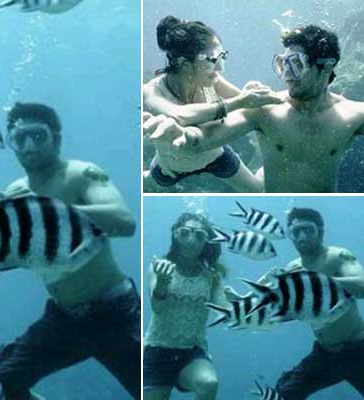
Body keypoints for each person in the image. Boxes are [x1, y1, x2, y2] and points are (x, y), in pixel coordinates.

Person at [0, 102, 141, 399]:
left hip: (115, 314)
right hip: (63, 318)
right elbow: (1, 261)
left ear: (56, 139)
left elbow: (124, 222)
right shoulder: (14, 193)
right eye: (19, 138)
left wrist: (45, 211)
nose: (29, 146)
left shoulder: (82, 174)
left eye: (38, 135)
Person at [145, 25, 364, 193]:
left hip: (319, 207)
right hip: (173, 164)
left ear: (326, 67)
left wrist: (242, 97)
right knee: (153, 182)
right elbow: (201, 139)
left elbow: (238, 98)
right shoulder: (266, 110)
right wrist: (181, 136)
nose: (287, 75)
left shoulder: (355, 115)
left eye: (296, 65)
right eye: (282, 64)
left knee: (255, 187)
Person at [143, 16, 282, 193]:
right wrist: (239, 101)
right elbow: (178, 115)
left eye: (222, 58)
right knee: (145, 182)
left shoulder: (211, 79)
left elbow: (247, 101)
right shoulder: (151, 91)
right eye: (212, 61)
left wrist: (251, 94)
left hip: (215, 156)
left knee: (256, 190)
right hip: (172, 166)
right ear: (185, 65)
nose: (219, 69)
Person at [270, 208, 364, 398]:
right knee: (281, 396)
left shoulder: (338, 256)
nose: (302, 236)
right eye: (295, 231)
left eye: (308, 229)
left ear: (321, 232)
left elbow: (362, 285)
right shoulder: (292, 268)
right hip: (324, 354)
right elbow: (286, 311)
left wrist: (316, 283)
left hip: (359, 350)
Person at [144, 213, 229, 400]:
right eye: (185, 233)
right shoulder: (159, 267)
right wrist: (162, 281)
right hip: (157, 351)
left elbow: (224, 311)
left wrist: (248, 300)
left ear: (207, 242)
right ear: (175, 235)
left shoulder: (212, 277)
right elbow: (157, 308)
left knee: (208, 384)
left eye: (199, 235)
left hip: (192, 352)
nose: (191, 240)